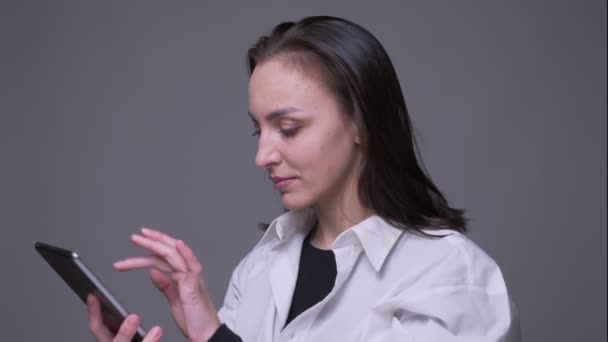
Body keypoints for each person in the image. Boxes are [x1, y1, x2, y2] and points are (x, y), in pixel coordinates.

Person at [86, 16, 521, 342]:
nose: (263, 155)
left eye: (289, 128)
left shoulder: (449, 276)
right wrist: (207, 331)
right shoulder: (260, 269)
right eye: (259, 130)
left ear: (361, 123)